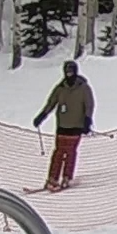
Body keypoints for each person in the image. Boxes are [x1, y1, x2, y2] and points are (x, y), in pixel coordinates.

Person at [29, 59, 95, 191]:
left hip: (76, 125)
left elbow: (89, 105)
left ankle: (66, 177)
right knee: (58, 152)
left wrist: (87, 120)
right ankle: (52, 178)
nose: (69, 74)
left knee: (70, 152)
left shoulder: (83, 88)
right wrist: (42, 116)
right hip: (62, 125)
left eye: (71, 72)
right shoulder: (60, 88)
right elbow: (51, 103)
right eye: (67, 72)